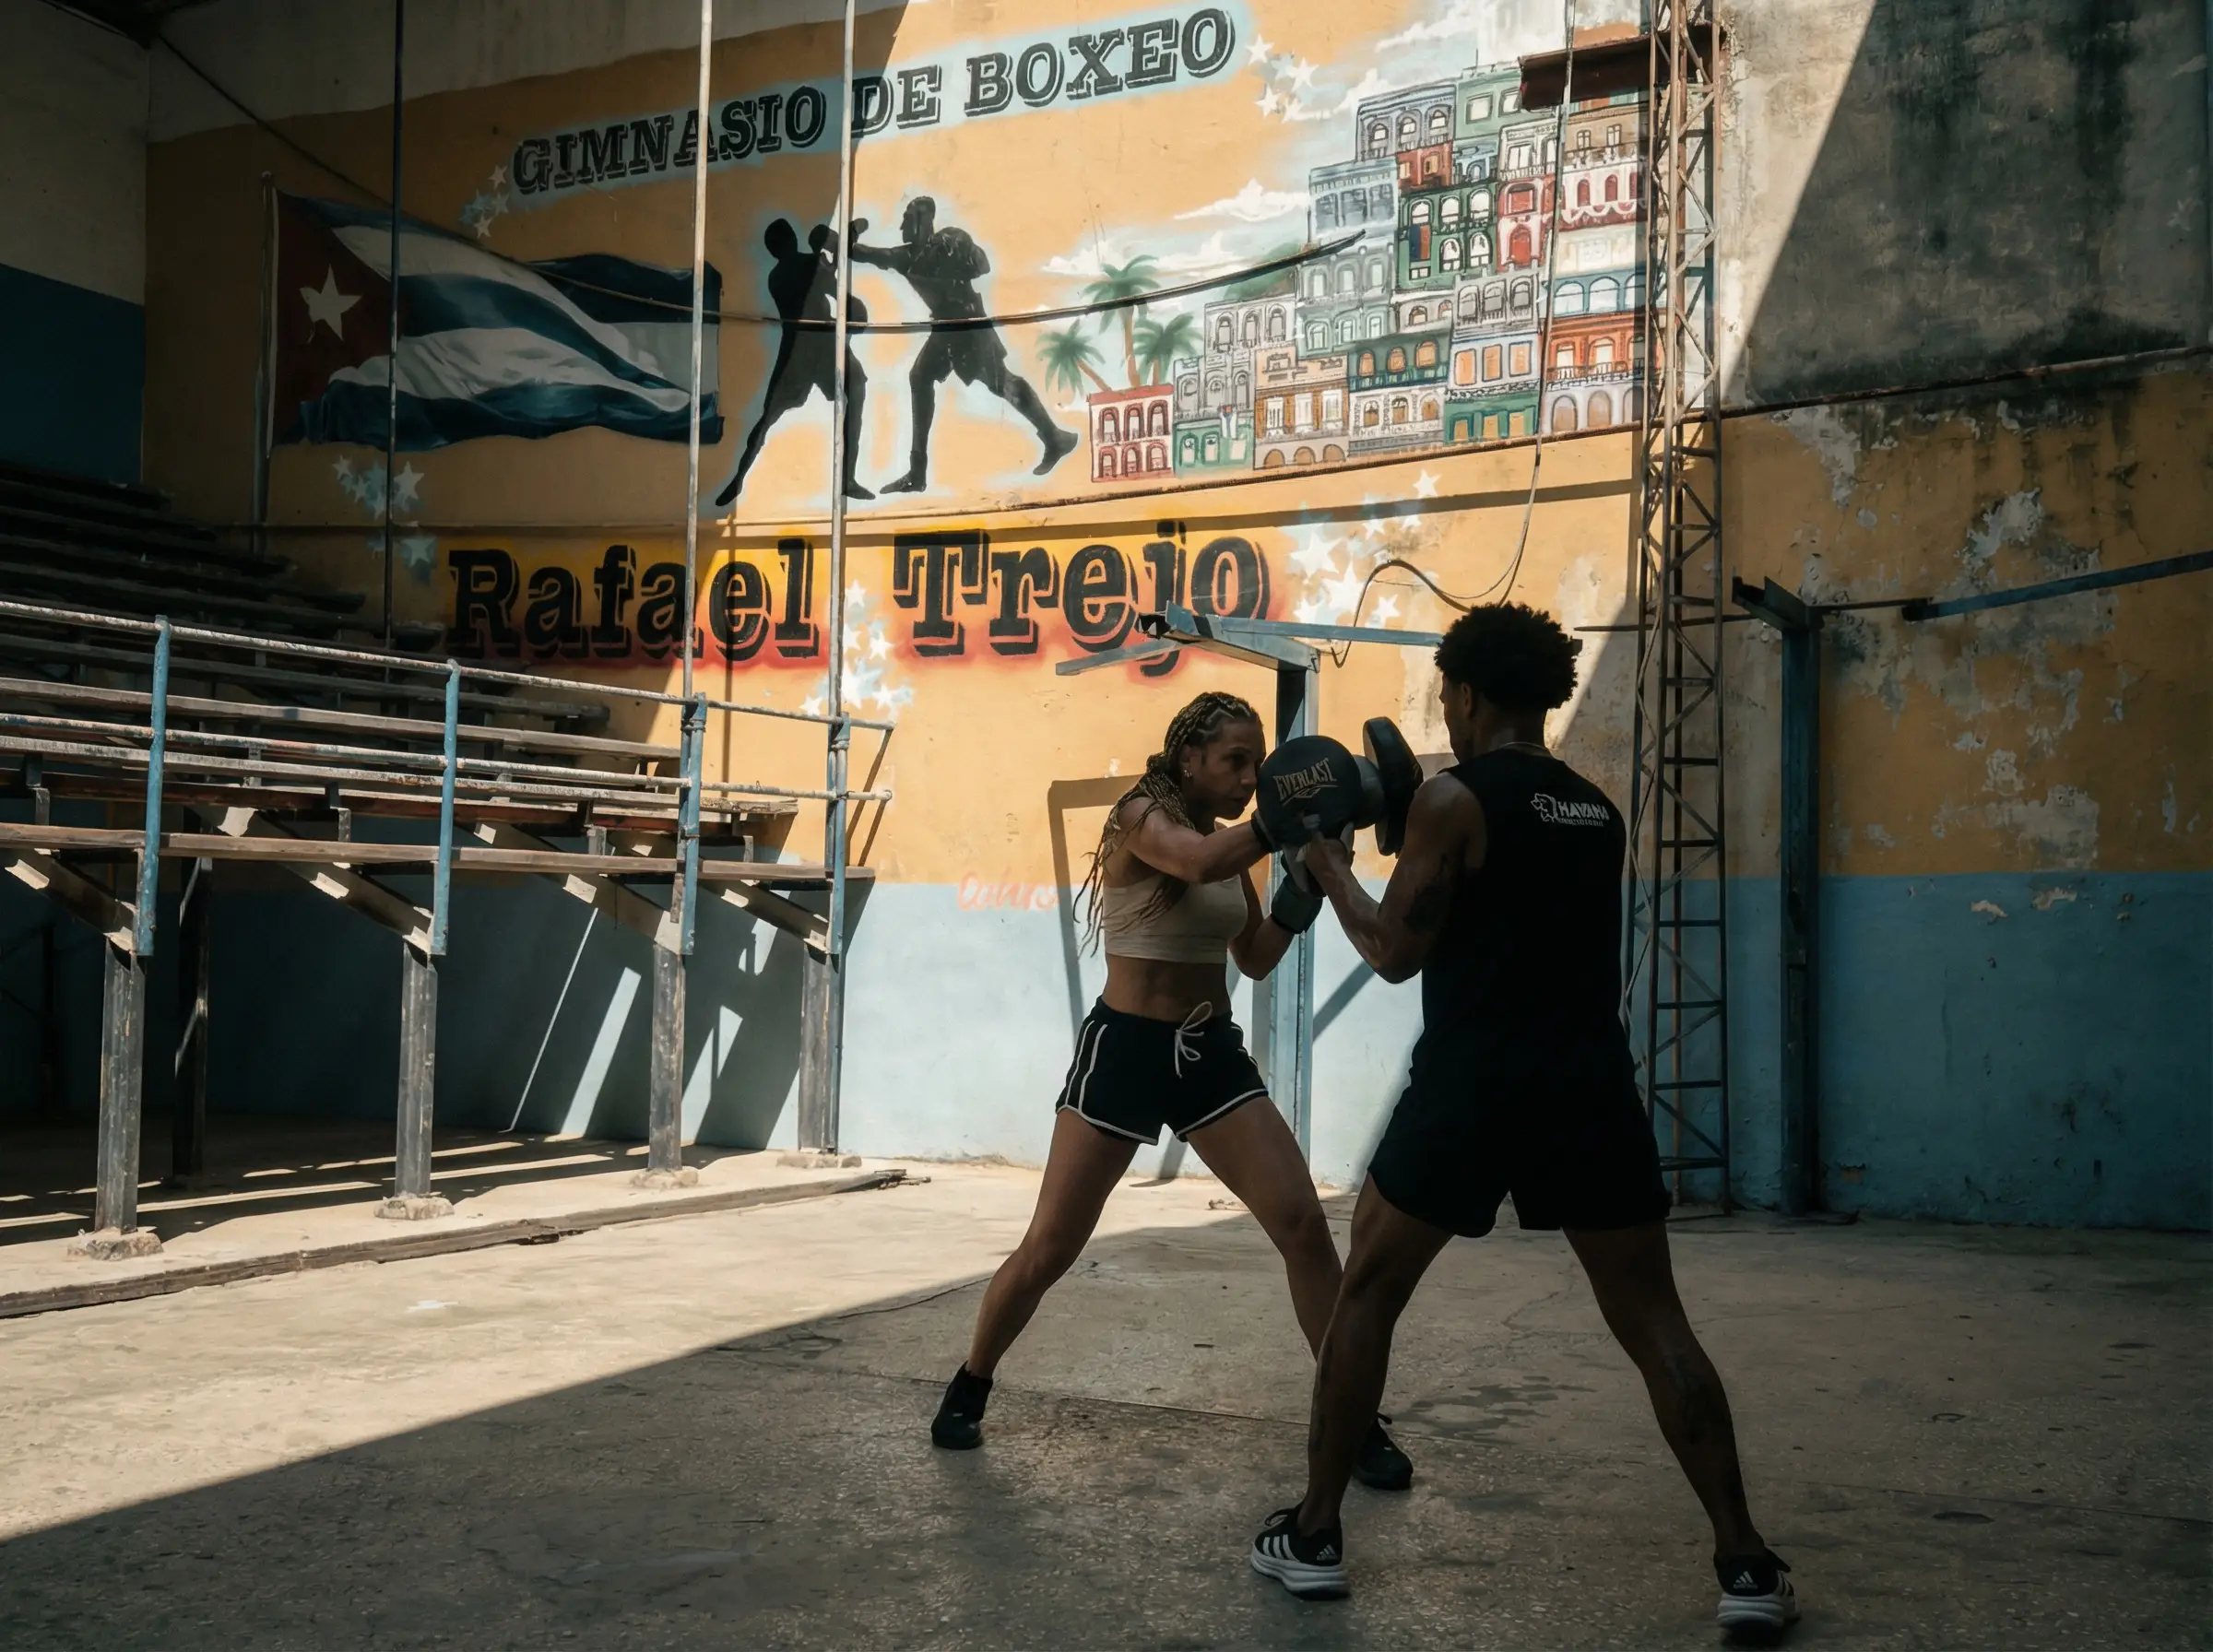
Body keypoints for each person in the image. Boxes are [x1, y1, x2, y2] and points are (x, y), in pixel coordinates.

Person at [1248, 604, 1799, 1637]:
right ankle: (1746, 1559)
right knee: (1655, 1321)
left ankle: (1315, 1534)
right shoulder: (1595, 808)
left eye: (1446, 694)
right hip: (1588, 1084)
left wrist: (1323, 862)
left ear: (1465, 694)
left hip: (1471, 1086)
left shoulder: (1452, 801)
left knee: (1365, 1292)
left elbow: (1395, 950)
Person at [931, 690, 1413, 1493]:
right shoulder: (1137, 819)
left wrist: (1305, 888)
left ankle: (1355, 1419)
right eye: (1236, 761)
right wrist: (1291, 815)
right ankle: (972, 1380)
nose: (1253, 777)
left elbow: (1254, 957)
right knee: (1052, 1245)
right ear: (1188, 757)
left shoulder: (1236, 847)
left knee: (1300, 1223)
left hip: (1208, 1054)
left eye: (1261, 763)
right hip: (1124, 1050)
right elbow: (1194, 864)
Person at [846, 196, 1079, 492]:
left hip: (969, 327)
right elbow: (860, 254)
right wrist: (854, 231)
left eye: (907, 217)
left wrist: (962, 248)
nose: (902, 224)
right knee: (920, 377)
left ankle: (1054, 437)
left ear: (923, 221)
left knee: (1000, 383)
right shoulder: (905, 256)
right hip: (946, 330)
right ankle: (917, 472)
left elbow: (982, 265)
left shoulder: (947, 243)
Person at [715, 218, 870, 507]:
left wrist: (831, 254)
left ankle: (738, 479)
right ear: (790, 241)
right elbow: (832, 284)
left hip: (796, 350)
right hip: (822, 345)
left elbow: (825, 277)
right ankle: (847, 478)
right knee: (855, 391)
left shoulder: (775, 277)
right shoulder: (806, 264)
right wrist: (844, 240)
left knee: (767, 417)